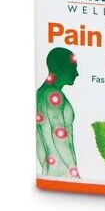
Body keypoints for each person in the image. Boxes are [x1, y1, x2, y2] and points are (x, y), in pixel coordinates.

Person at [36, 47, 80, 178]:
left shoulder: (39, 93)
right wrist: (74, 172)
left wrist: (47, 167)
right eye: (73, 68)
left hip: (50, 169)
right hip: (64, 171)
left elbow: (38, 142)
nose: (76, 73)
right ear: (60, 68)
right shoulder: (54, 95)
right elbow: (59, 137)